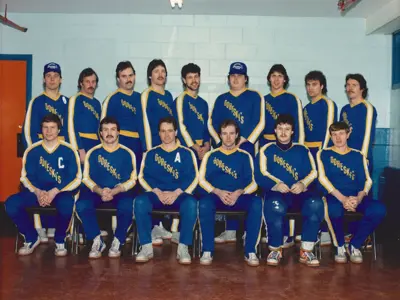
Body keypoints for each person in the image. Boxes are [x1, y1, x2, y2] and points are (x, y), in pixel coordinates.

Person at [6, 114, 81, 256]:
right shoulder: (32, 150)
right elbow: (25, 178)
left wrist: (54, 191)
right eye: (45, 127)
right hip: (37, 192)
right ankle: (31, 237)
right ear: (41, 130)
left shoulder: (69, 150)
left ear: (59, 130)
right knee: (11, 203)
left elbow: (76, 178)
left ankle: (60, 240)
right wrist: (38, 192)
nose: (49, 131)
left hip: (60, 193)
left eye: (53, 127)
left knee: (67, 205)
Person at [208, 62, 264, 243]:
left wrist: (246, 139)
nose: (236, 78)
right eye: (232, 75)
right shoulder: (221, 99)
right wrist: (220, 142)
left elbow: (261, 122)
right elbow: (211, 123)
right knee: (227, 183)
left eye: (239, 75)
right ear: (228, 78)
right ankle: (230, 230)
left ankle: (249, 231)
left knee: (246, 188)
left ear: (245, 78)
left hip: (247, 147)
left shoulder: (255, 96)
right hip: (225, 149)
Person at [256, 114, 323, 266]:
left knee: (315, 204)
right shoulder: (266, 149)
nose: (283, 133)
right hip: (277, 194)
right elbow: (260, 173)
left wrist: (303, 184)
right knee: (274, 205)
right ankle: (275, 249)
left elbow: (314, 172)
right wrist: (276, 184)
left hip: (300, 194)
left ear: (293, 131)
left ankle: (306, 250)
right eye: (280, 129)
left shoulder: (302, 150)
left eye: (287, 129)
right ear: (275, 130)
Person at [317, 121, 385, 263]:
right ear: (330, 136)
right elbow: (322, 179)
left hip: (356, 196)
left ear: (348, 134)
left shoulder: (358, 155)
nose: (338, 138)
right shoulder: (323, 154)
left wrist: (358, 199)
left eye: (341, 133)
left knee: (378, 209)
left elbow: (367, 181)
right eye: (334, 134)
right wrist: (343, 199)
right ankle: (340, 246)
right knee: (333, 210)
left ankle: (355, 245)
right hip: (335, 196)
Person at [134, 117, 198, 265]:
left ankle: (183, 248)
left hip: (178, 195)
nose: (167, 135)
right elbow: (142, 177)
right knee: (140, 201)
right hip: (157, 195)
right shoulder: (151, 153)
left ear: (176, 132)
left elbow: (194, 177)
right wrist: (156, 191)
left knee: (191, 203)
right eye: (163, 131)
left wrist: (176, 193)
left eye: (170, 131)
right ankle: (146, 247)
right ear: (159, 133)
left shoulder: (187, 153)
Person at [199, 119, 262, 266]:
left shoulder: (245, 156)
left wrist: (240, 192)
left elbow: (254, 182)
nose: (228, 137)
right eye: (225, 134)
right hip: (217, 196)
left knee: (257, 203)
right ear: (220, 135)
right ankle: (207, 250)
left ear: (237, 135)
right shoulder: (211, 155)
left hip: (238, 197)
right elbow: (201, 180)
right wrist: (217, 191)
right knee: (203, 204)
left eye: (231, 133)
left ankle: (250, 250)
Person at [76, 117, 137, 259]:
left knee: (128, 205)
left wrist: (115, 190)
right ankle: (97, 240)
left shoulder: (128, 153)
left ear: (118, 133)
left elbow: (133, 179)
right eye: (105, 130)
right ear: (101, 133)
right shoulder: (93, 152)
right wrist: (99, 190)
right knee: (82, 204)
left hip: (119, 191)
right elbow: (85, 178)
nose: (109, 133)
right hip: (97, 191)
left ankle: (118, 240)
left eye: (113, 129)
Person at [22, 62, 69, 241]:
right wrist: (33, 151)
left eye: (55, 76)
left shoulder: (66, 101)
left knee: (58, 187)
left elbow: (69, 129)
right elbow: (29, 130)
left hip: (59, 151)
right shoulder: (37, 101)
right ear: (43, 79)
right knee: (39, 187)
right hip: (40, 151)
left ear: (60, 79)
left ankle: (55, 227)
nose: (52, 79)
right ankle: (38, 226)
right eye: (48, 76)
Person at [303, 70, 338, 246]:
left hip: (321, 153)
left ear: (322, 86)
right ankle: (312, 230)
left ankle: (326, 232)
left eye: (314, 84)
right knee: (310, 193)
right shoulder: (306, 108)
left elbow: (329, 132)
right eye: (308, 85)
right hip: (308, 153)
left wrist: (322, 155)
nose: (311, 88)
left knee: (323, 192)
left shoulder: (328, 104)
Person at [101, 61, 143, 168]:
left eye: (130, 75)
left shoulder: (141, 98)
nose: (128, 79)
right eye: (124, 76)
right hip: (121, 144)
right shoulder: (111, 99)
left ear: (135, 76)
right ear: (118, 79)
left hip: (140, 146)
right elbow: (102, 127)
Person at [260, 64, 304, 147]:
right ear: (269, 78)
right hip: (265, 144)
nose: (276, 79)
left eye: (280, 76)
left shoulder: (293, 99)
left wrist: (297, 147)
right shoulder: (263, 100)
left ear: (284, 79)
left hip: (286, 144)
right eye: (273, 76)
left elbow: (298, 127)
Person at [340, 73, 376, 172]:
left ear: (362, 89)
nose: (350, 88)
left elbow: (369, 136)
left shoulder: (367, 108)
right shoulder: (344, 109)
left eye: (354, 85)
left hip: (360, 158)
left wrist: (363, 158)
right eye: (348, 85)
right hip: (344, 157)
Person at [68, 68, 101, 164]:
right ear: (81, 83)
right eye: (87, 82)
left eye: (93, 82)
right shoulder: (75, 100)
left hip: (95, 146)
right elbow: (70, 126)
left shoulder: (97, 103)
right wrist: (79, 149)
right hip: (81, 145)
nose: (91, 85)